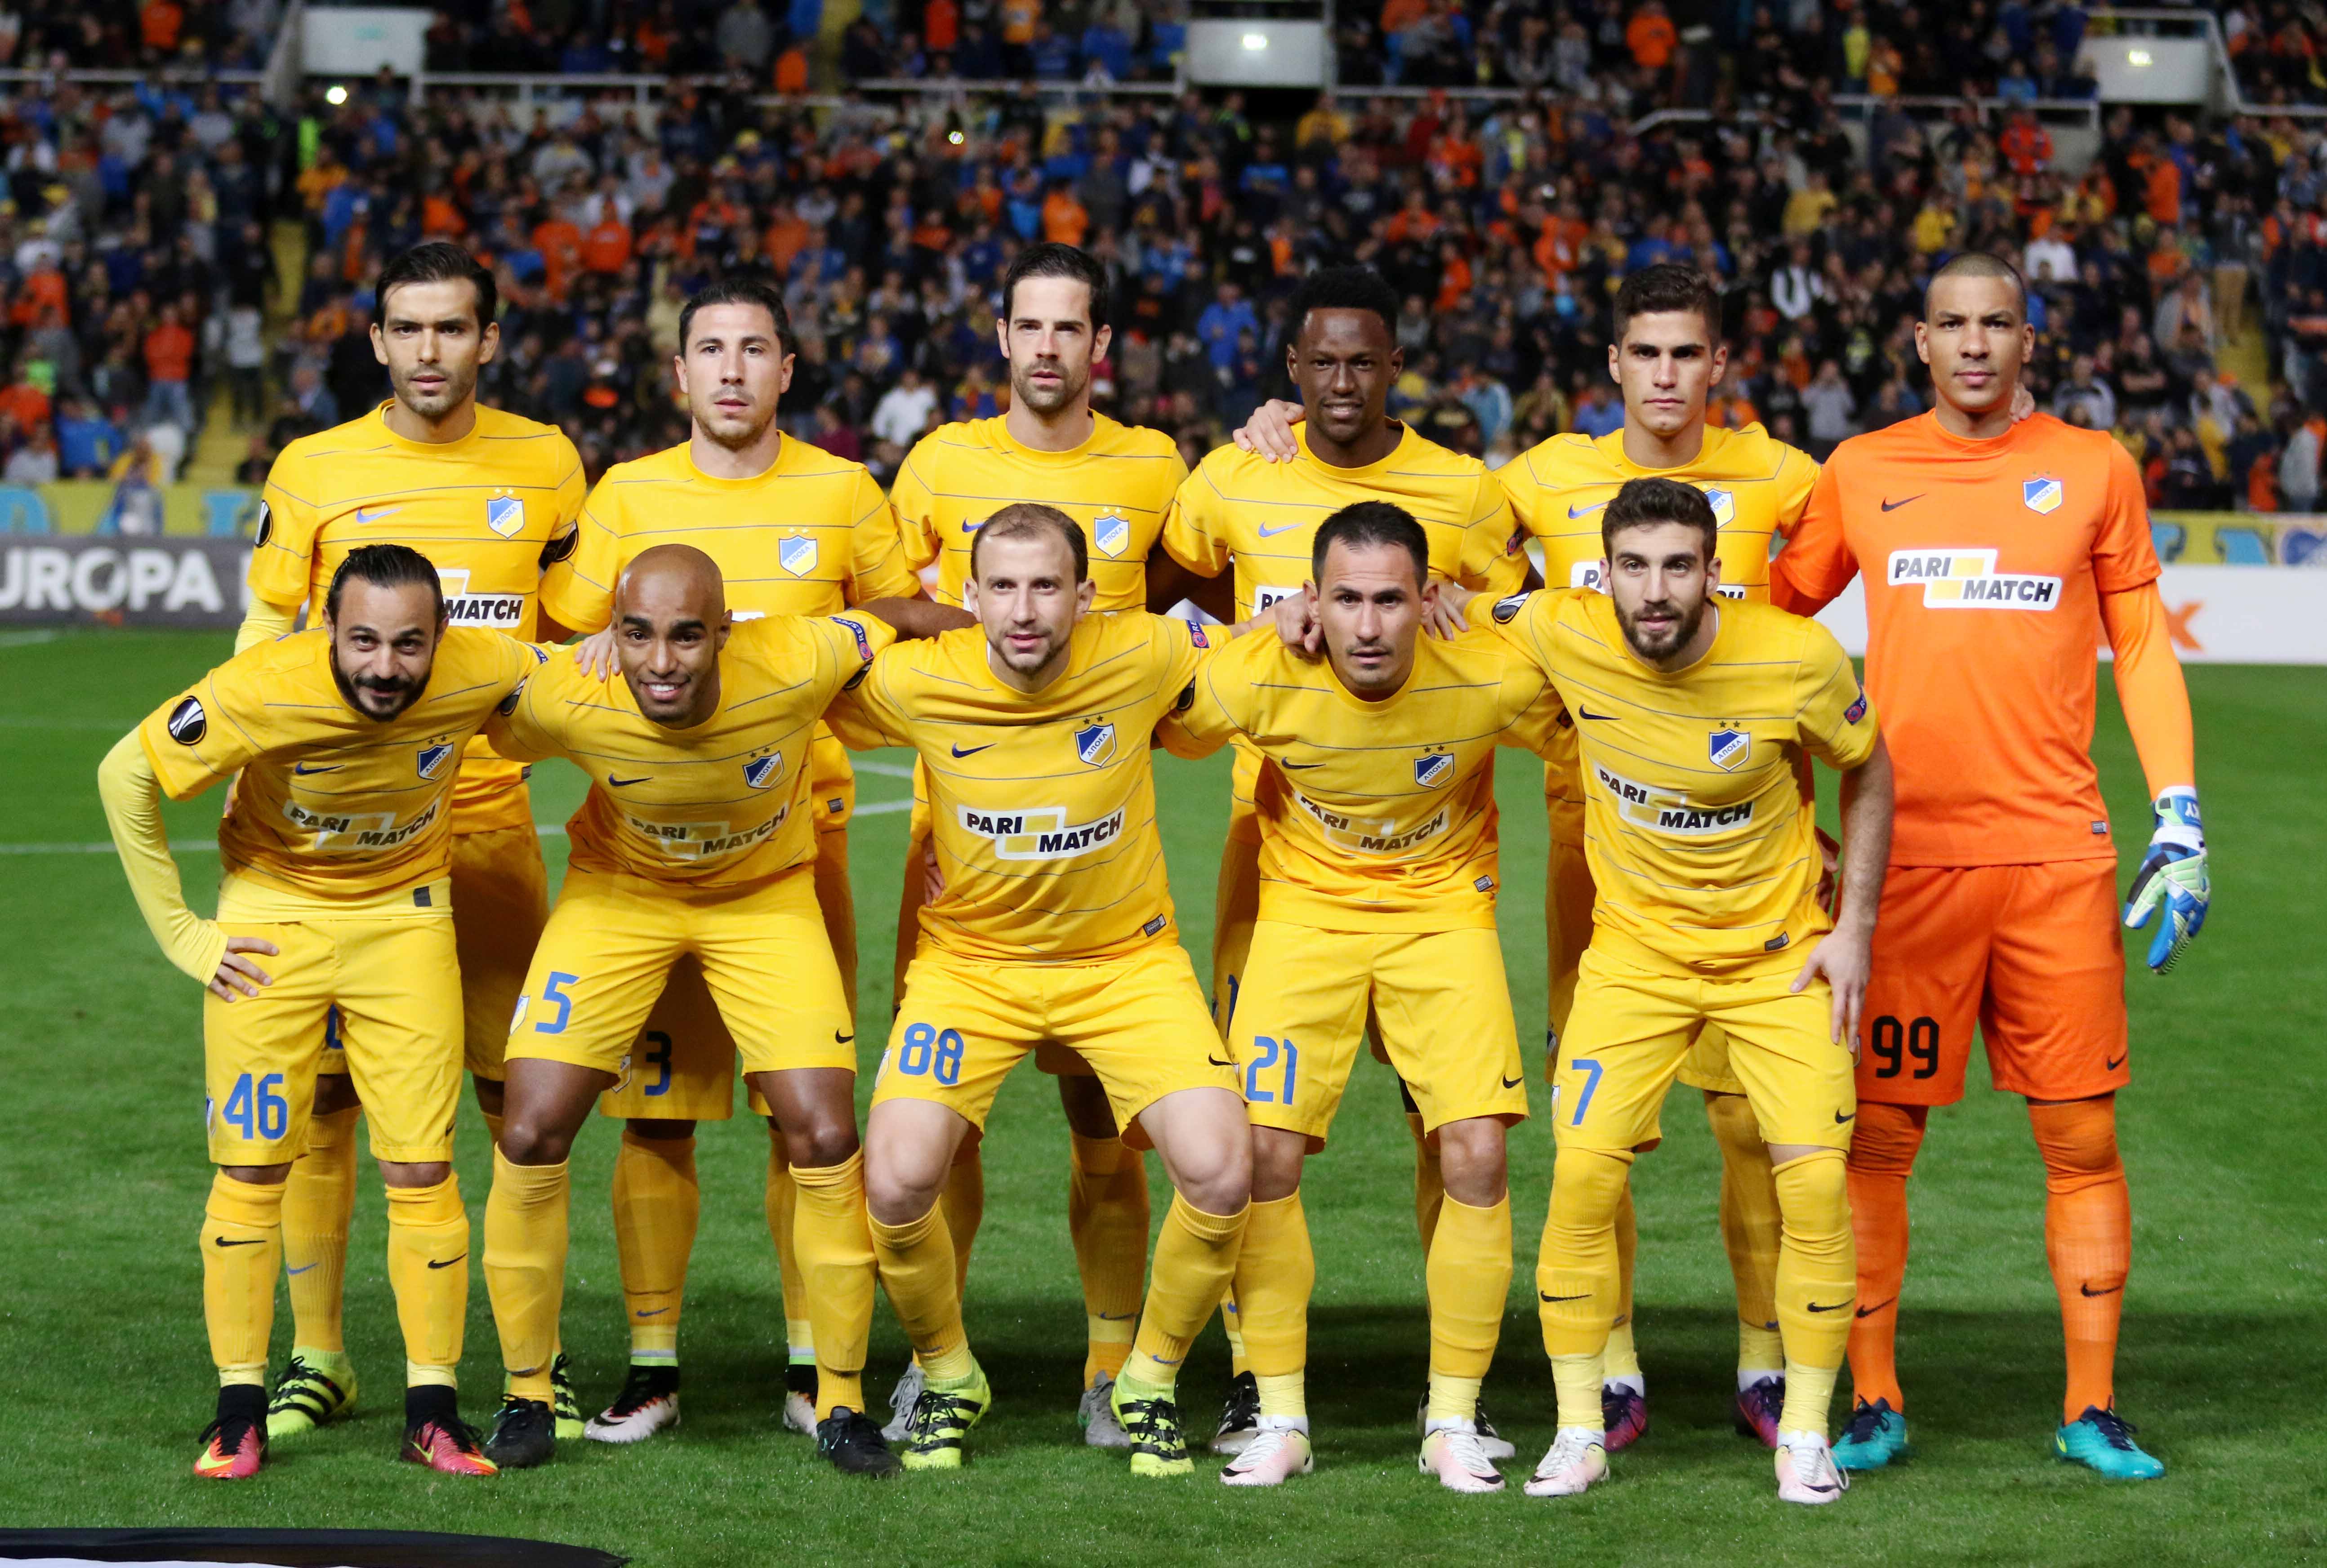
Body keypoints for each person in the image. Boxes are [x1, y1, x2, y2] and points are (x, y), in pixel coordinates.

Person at [1772, 252, 2203, 1481]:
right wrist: (1784, 810)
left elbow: (2142, 644)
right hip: (1905, 866)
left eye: (1996, 323)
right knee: (1876, 1141)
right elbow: (1765, 626)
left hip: (2057, 859)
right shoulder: (1863, 470)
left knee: (2080, 1140)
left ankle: (2090, 1406)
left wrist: (2179, 812)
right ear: (1919, 341)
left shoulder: (2096, 468)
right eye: (1952, 325)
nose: (1973, 344)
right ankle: (1872, 1398)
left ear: (2027, 339)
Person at [478, 544, 966, 1476]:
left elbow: (903, 616)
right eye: (637, 636)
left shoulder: (796, 655)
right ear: (612, 633)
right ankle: (528, 1393)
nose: (660, 662)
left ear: (725, 633)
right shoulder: (569, 690)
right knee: (532, 1129)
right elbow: (465, 696)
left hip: (764, 901)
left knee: (825, 1133)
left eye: (686, 637)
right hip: (619, 897)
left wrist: (1023, 648)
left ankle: (840, 1401)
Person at [1455, 477, 1894, 1505]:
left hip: (1775, 962)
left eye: (1677, 567)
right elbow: (1451, 604)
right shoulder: (1560, 625)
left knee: (1812, 1188)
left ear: (1713, 573)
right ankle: (1577, 1429)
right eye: (1633, 567)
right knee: (1580, 1178)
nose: (1653, 591)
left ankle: (1804, 1434)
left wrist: (1854, 930)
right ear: (1602, 573)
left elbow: (1870, 767)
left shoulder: (1795, 657)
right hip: (1633, 962)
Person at [539, 275, 924, 1443]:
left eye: (755, 349)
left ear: (786, 370)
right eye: (710, 349)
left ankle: (813, 1366)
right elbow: (568, 638)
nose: (732, 370)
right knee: (653, 1112)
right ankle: (652, 1366)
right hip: (646, 852)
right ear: (679, 374)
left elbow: (901, 629)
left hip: (796, 847)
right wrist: (592, 638)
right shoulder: (627, 493)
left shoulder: (845, 491)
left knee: (802, 1115)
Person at [1157, 263, 1526, 1455]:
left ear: (1394, 366)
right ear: (1291, 370)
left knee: (1453, 1130)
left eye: (1364, 360)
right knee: (1256, 1139)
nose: (1343, 381)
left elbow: (1536, 632)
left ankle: (1456, 1396)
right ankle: (1258, 1385)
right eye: (1322, 361)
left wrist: (1469, 608)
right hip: (1276, 856)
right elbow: (1163, 599)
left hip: (1435, 872)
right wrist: (1244, 633)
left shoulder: (1462, 490)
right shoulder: (1238, 472)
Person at [97, 543, 545, 1479]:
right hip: (272, 924)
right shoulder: (261, 686)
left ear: (442, 637)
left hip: (406, 923)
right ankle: (237, 1412)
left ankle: (433, 1413)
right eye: (364, 641)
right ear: (329, 629)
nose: (386, 666)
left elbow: (566, 689)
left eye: (409, 644)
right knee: (253, 1166)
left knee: (422, 1166)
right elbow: (124, 773)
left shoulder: (485, 665)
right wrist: (186, 937)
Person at [824, 504, 1253, 1477]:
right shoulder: (919, 677)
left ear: (1085, 596)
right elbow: (794, 672)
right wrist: (889, 613)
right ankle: (947, 1374)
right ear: (970, 598)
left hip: (1125, 966)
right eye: (1004, 588)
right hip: (970, 969)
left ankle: (1145, 1378)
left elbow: (1256, 646)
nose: (1024, 611)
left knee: (1222, 1171)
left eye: (1047, 586)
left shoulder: (1145, 652)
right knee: (894, 1180)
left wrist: (1305, 613)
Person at [241, 241, 588, 1446]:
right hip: (343, 841)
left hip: (485, 830)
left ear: (488, 339)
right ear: (377, 340)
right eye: (408, 328)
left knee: (514, 1105)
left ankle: (534, 1366)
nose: (430, 350)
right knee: (324, 1101)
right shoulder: (315, 468)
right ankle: (320, 1356)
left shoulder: (547, 463)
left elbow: (573, 640)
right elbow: (265, 640)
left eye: (453, 328)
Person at [881, 241, 1205, 1445]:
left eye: (1072, 327)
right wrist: (972, 631)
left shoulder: (1152, 463)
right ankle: (937, 1357)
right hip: (959, 852)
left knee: (1101, 1128)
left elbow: (1197, 592)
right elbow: (886, 602)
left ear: (1099, 344)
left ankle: (1108, 1366)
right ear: (1003, 336)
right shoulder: (940, 462)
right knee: (940, 1130)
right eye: (1031, 325)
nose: (1049, 346)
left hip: (1095, 851)